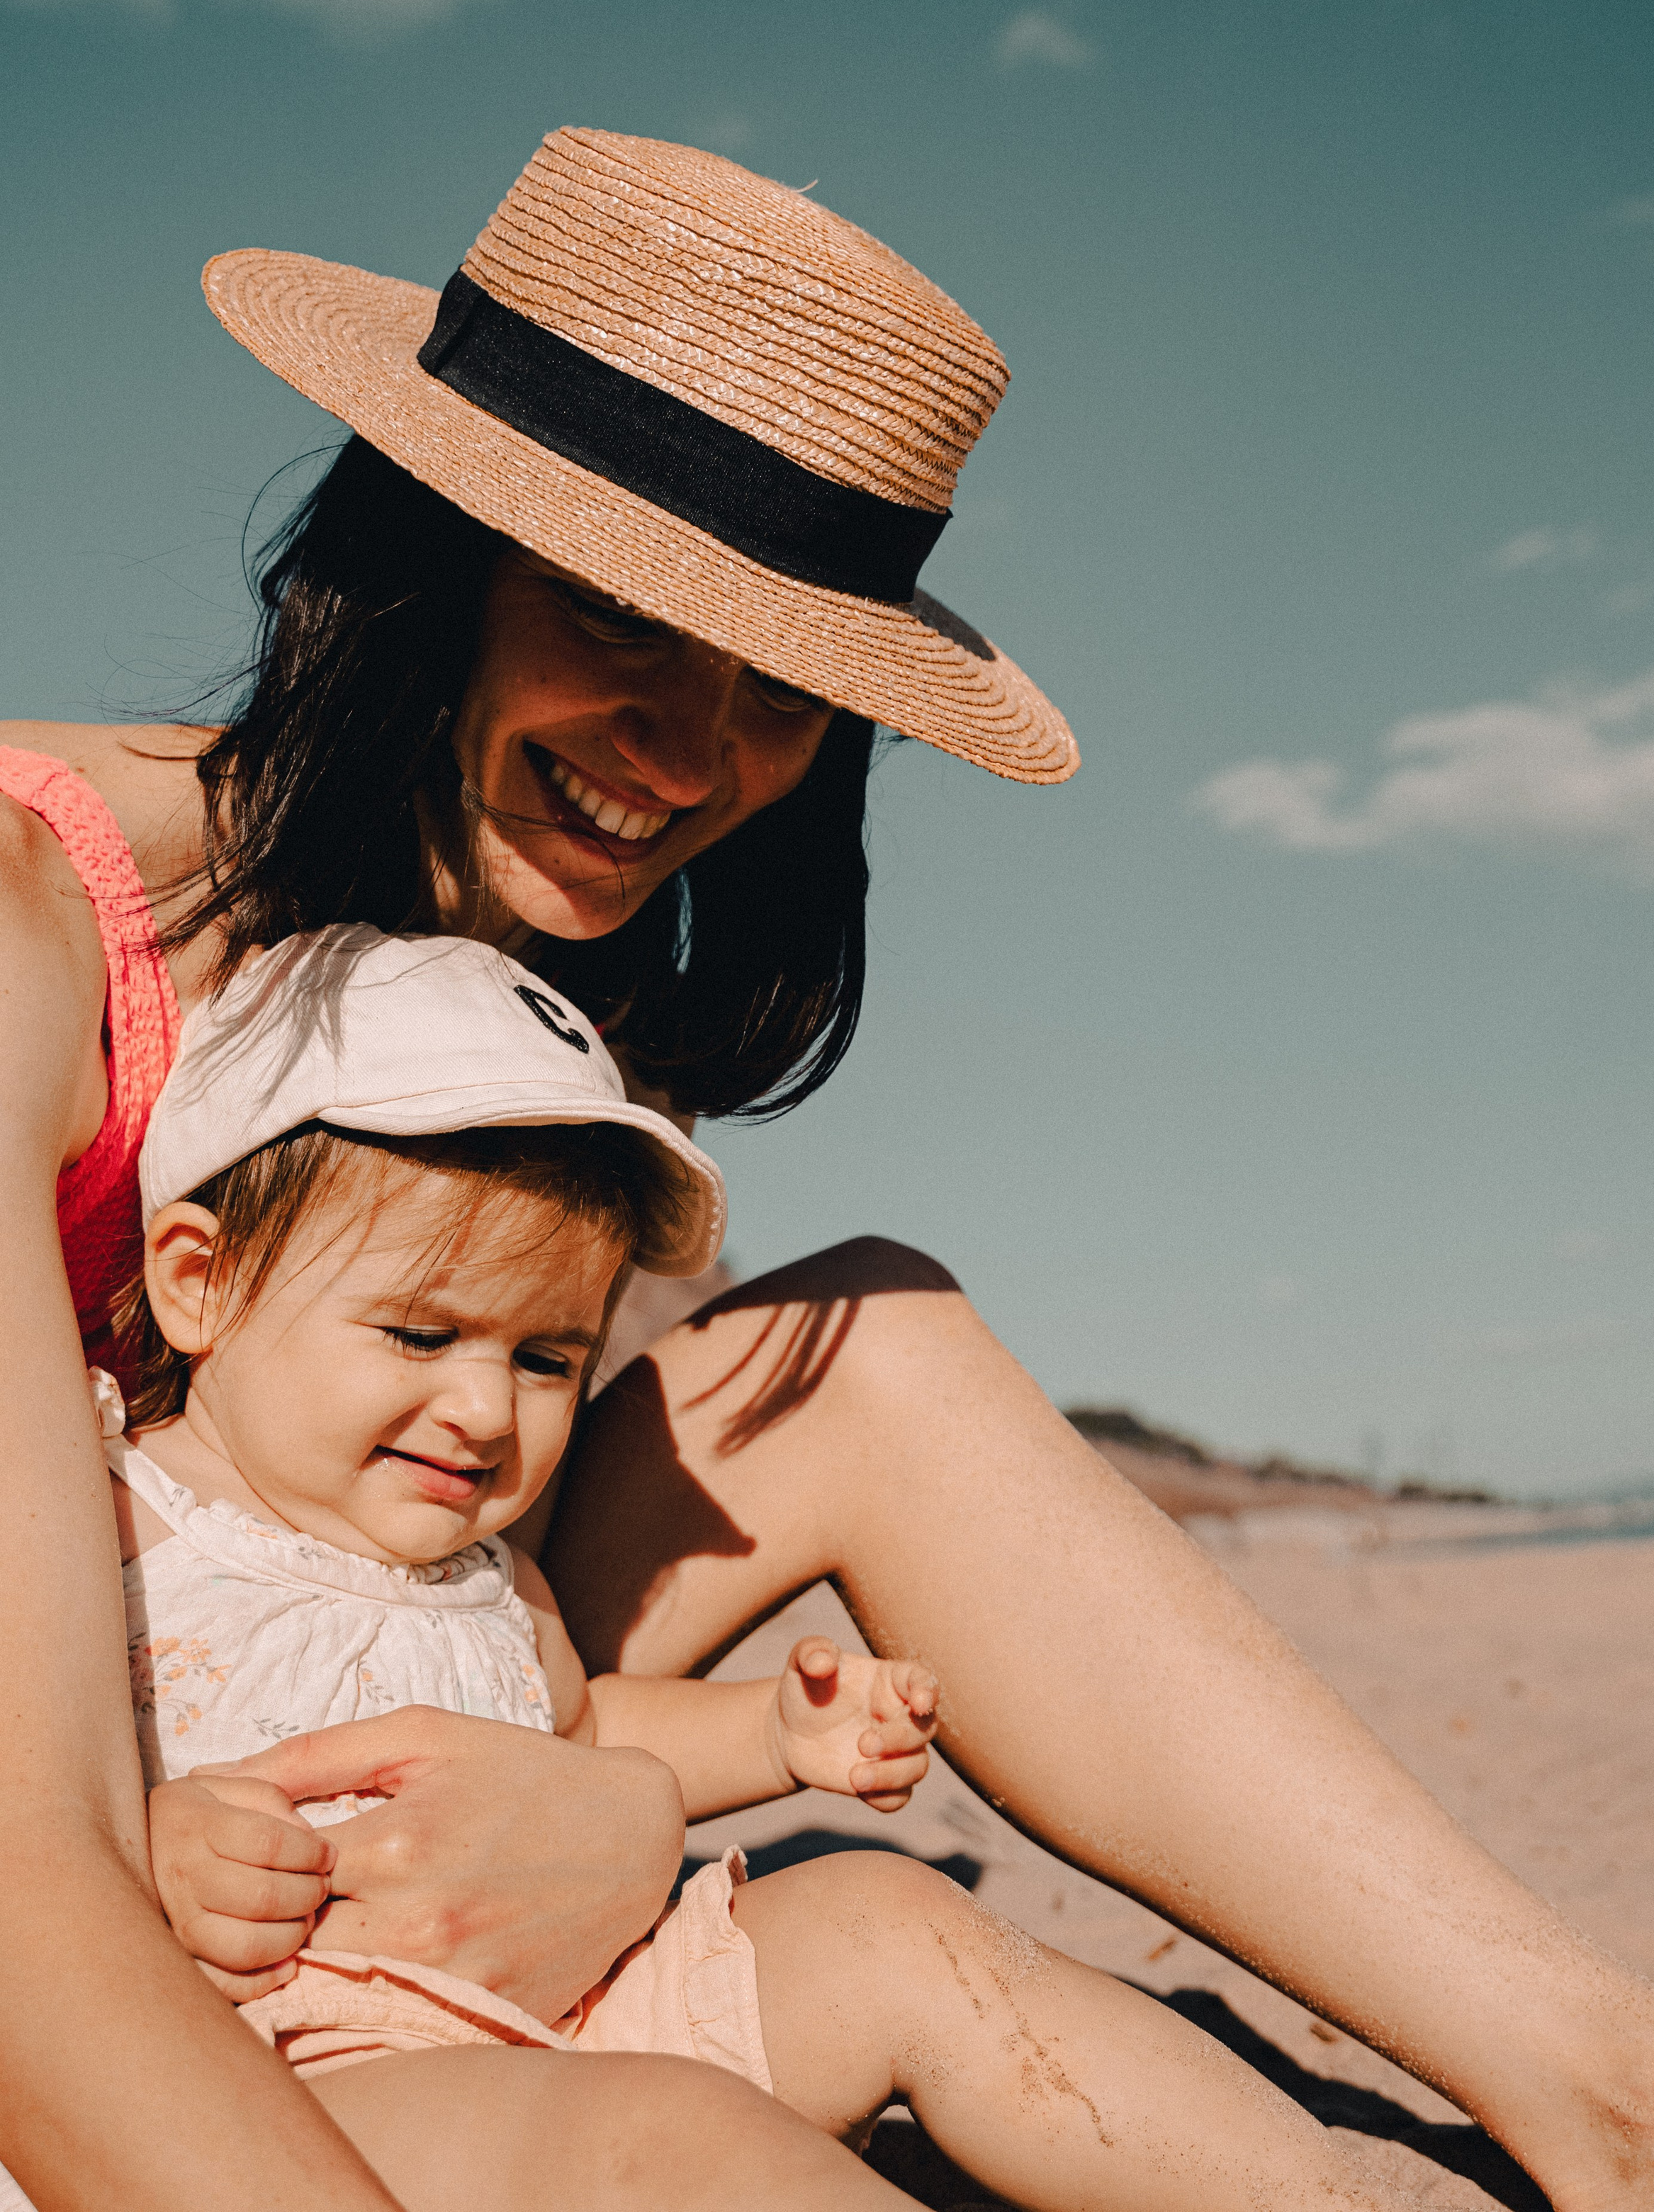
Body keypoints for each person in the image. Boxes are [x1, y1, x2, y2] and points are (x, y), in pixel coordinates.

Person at [1, 125, 1654, 2212]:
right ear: (430, 549)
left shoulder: (482, 990)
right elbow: (31, 1886)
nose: (686, 756)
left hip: (318, 1682)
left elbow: (487, 1586)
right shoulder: (42, 921)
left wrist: (603, 1793)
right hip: (86, 1810)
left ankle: (1644, 2107)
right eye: (623, 617)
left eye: (784, 696)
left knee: (869, 1336)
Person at [71, 921, 1428, 2212]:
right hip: (279, 2093)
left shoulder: (483, 1575)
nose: (489, 1412)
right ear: (200, 1281)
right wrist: (143, 1848)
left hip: (572, 2014)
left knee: (895, 1923)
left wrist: (777, 1731)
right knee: (671, 2137)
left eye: (545, 1358)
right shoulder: (110, 1517)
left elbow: (590, 1723)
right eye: (421, 1336)